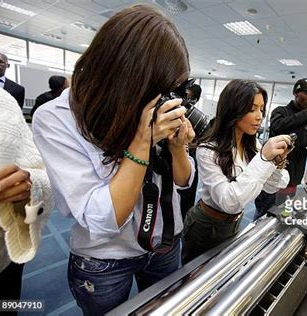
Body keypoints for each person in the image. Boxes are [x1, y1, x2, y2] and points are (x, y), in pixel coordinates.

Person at [32, 5, 195, 315]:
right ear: (125, 77)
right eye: (157, 89)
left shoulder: (151, 109)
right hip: (105, 260)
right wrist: (141, 141)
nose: (165, 99)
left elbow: (185, 183)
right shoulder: (56, 118)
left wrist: (177, 148)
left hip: (164, 242)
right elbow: (103, 218)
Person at [182, 79, 291, 262]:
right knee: (193, 277)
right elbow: (229, 201)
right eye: (252, 109)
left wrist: (275, 163)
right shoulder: (207, 149)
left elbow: (275, 186)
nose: (259, 116)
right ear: (233, 109)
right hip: (205, 224)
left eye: (261, 109)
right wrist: (264, 160)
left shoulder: (253, 145)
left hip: (234, 222)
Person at [0, 87, 53, 314]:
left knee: (6, 307)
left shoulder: (3, 101)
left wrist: (28, 186)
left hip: (4, 253)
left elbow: (39, 173)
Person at [254, 78, 307, 219]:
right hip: (272, 183)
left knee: (281, 219)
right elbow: (279, 126)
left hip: (292, 183)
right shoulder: (281, 112)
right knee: (261, 219)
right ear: (295, 93)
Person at [178, 83, 203, 219]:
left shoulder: (194, 118)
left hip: (191, 158)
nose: (187, 101)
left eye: (190, 98)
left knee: (188, 192)